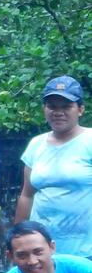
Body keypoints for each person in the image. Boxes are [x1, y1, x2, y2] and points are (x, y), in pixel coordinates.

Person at [14, 76, 91, 258]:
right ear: (44, 110)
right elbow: (27, 195)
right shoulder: (36, 144)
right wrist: (17, 239)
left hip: (86, 249)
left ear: (80, 110)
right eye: (52, 106)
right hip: (42, 251)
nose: (58, 112)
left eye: (66, 106)